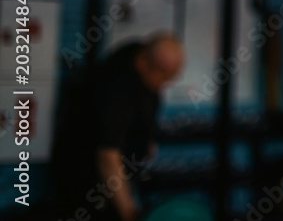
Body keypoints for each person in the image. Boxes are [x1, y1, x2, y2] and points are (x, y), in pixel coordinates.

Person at [50, 32, 185, 221]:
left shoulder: (137, 53)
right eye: (163, 76)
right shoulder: (118, 91)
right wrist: (129, 212)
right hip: (89, 181)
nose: (164, 85)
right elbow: (108, 157)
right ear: (145, 62)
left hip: (117, 175)